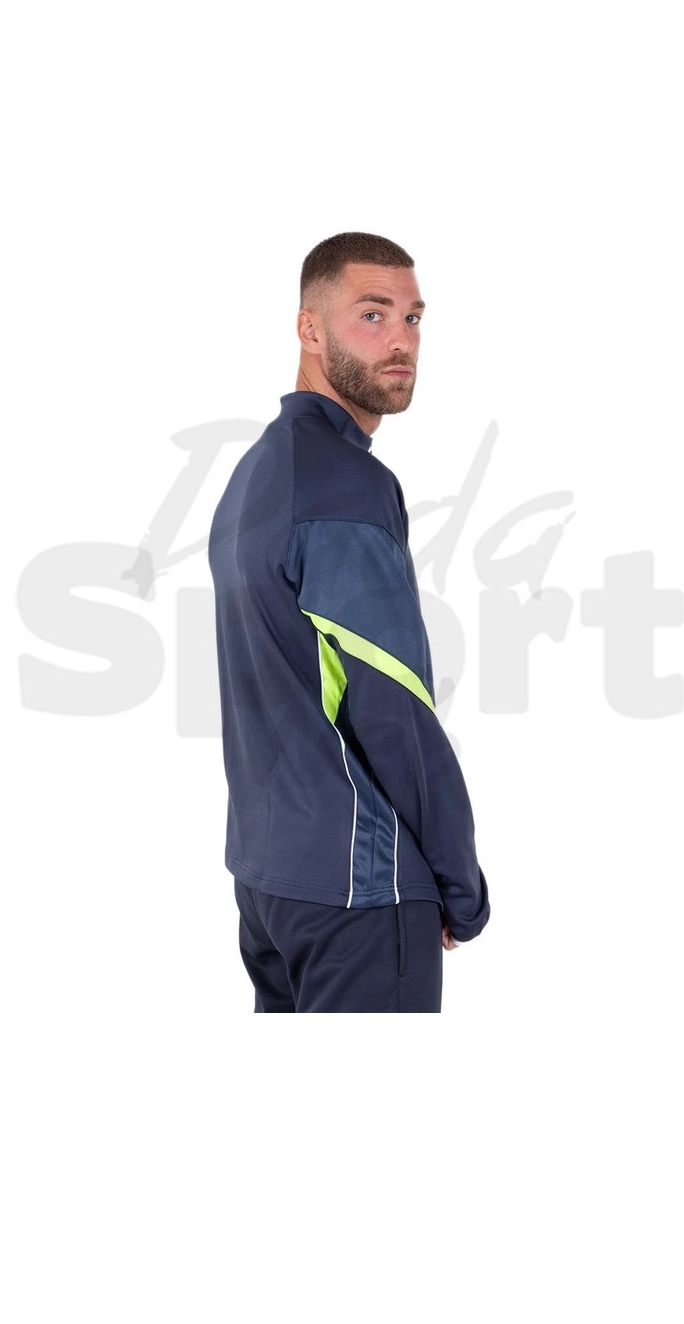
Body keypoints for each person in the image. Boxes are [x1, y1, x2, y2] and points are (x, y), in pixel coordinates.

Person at [207, 232, 490, 1012]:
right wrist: (459, 885)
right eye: (372, 314)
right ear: (309, 328)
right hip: (358, 889)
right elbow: (390, 705)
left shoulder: (259, 471)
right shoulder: (345, 484)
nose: (401, 339)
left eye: (413, 317)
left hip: (271, 882)